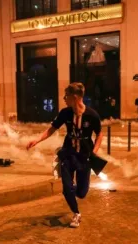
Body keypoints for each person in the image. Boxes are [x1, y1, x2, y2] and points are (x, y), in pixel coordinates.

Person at [27, 82, 103, 228]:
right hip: (68, 154)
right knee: (66, 187)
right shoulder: (65, 113)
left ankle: (71, 192)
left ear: (74, 97)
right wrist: (36, 140)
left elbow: (99, 133)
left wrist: (95, 151)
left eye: (66, 96)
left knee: (81, 193)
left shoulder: (92, 115)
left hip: (84, 157)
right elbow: (51, 129)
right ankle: (76, 213)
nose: (64, 98)